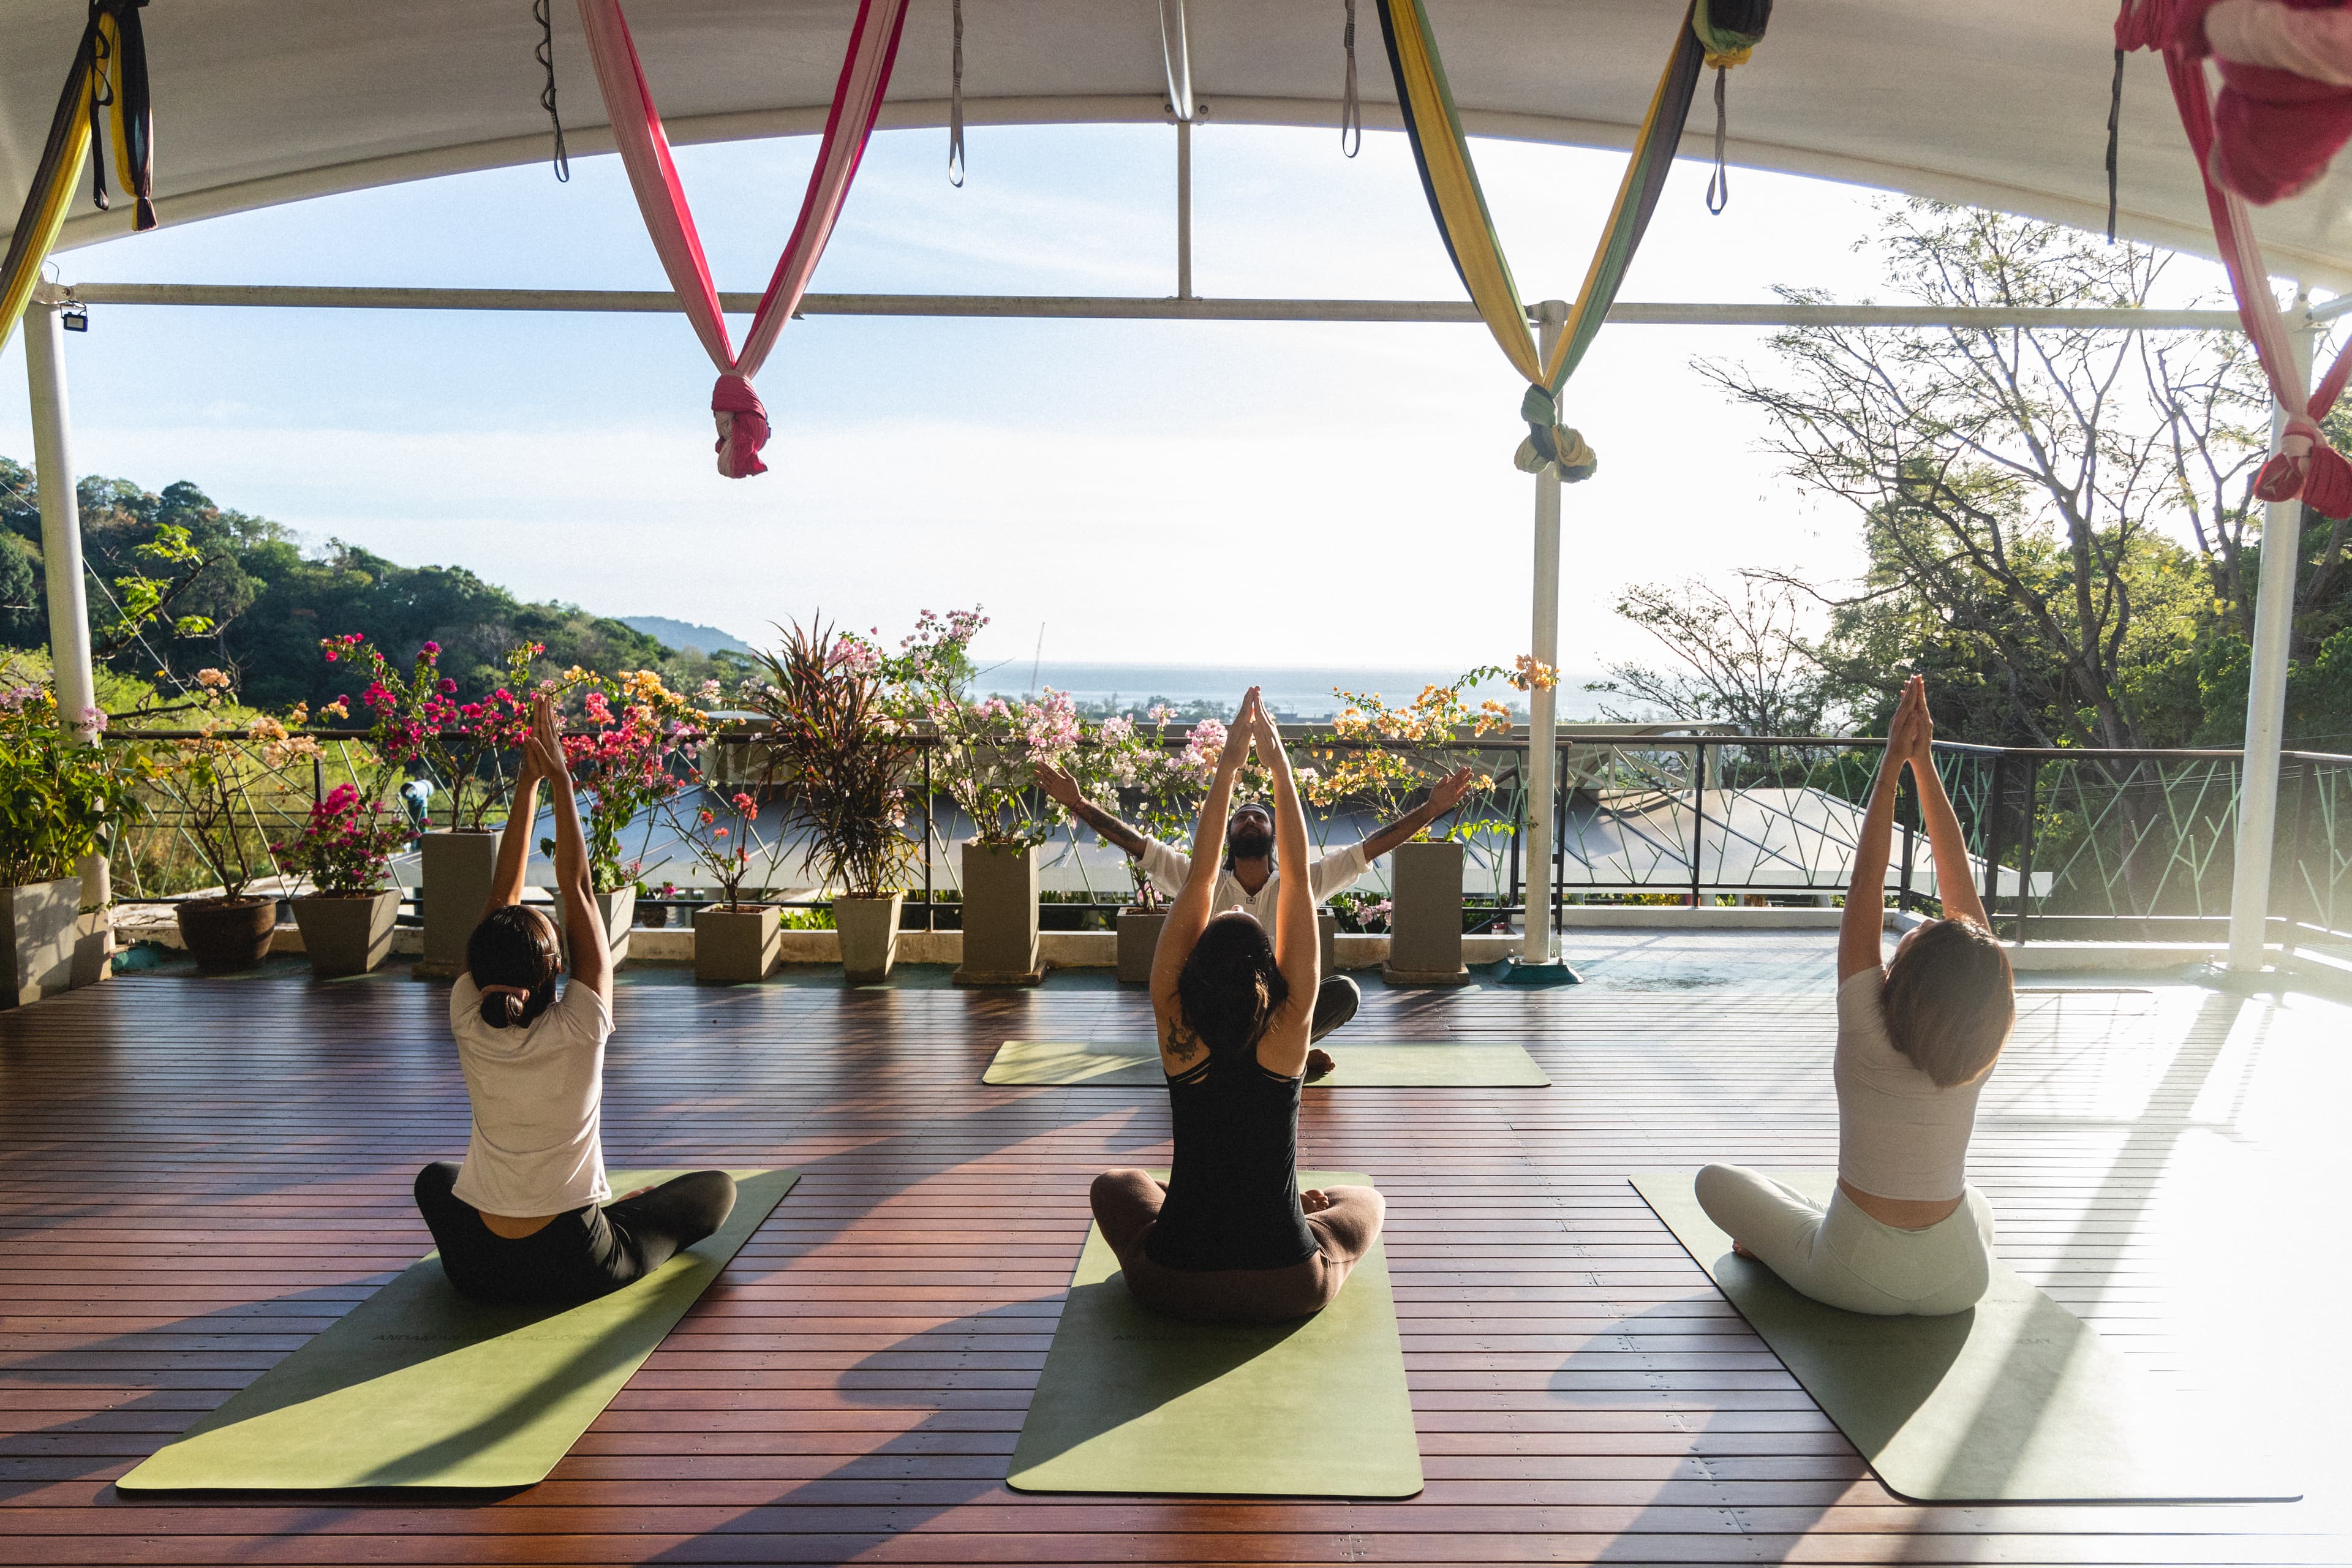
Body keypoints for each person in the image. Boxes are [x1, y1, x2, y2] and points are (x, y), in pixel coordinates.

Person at [1694, 675, 2015, 1316]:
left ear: (1917, 969)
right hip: (1962, 1282)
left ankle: (1792, 1237)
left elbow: (1866, 883)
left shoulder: (1867, 1025)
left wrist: (1893, 766)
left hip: (1852, 1273)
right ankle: (1818, 1227)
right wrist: (1925, 764)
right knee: (1973, 1200)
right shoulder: (1982, 1039)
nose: (1923, 921)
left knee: (1714, 1183)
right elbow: (1965, 911)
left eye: (1924, 931)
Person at [412, 692, 736, 1306]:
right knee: (717, 1191)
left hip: (477, 1267)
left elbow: (501, 897)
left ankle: (602, 1215)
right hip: (574, 1262)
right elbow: (578, 885)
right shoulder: (583, 1022)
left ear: (479, 967)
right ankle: (622, 1216)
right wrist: (561, 778)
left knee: (435, 1181)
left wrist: (527, 787)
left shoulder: (464, 1013)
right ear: (556, 970)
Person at [1089, 688, 1388, 1324]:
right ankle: (1296, 1219)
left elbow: (1199, 876)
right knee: (1363, 1201)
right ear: (1267, 974)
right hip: (1286, 1280)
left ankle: (1189, 1204)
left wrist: (1227, 766)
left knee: (1114, 1185)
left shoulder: (1178, 1029)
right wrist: (1276, 766)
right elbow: (1298, 881)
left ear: (1193, 971)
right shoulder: (1288, 1032)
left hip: (1170, 1278)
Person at [1035, 742, 1476, 1071]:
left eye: (1260, 816)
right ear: (1227, 836)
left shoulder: (1300, 884)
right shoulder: (1200, 882)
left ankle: (1270, 1051)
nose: (1250, 819)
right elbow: (1138, 845)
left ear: (1272, 834)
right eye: (1241, 816)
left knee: (1345, 992)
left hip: (1273, 1011)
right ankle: (1284, 1056)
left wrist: (1431, 810)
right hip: (1213, 1009)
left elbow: (1369, 849)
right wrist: (1078, 803)